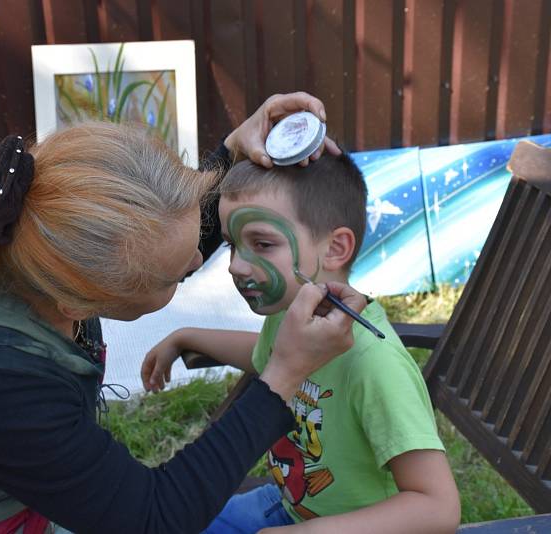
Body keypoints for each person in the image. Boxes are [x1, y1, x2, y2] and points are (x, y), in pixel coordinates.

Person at [0, 94, 367, 534]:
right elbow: (153, 519)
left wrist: (230, 154)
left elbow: (145, 243)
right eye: (177, 275)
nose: (201, 258)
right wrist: (281, 379)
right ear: (77, 301)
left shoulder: (20, 235)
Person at [142, 156, 461, 533]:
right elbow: (271, 359)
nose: (235, 267)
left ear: (335, 248)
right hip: (291, 506)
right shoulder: (293, 315)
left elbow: (438, 507)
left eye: (262, 243)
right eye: (231, 245)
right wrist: (188, 336)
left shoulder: (375, 365)